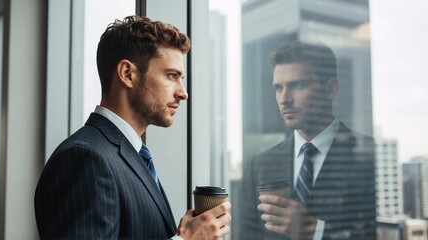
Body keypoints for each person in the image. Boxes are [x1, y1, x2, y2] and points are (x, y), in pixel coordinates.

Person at [34, 15, 231, 240]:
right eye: (171, 76)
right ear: (128, 74)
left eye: (181, 78)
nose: (183, 92)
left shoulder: (128, 156)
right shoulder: (85, 157)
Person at [238, 42, 376, 240]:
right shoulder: (261, 164)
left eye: (297, 85)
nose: (284, 99)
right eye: (278, 88)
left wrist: (315, 231)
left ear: (330, 89)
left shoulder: (367, 155)